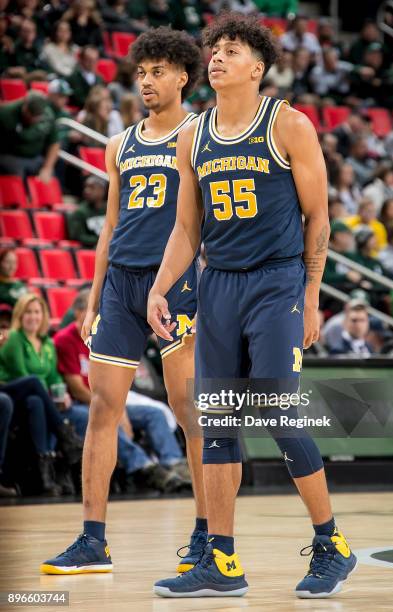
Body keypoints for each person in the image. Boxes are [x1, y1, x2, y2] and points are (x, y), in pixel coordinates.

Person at [148, 13, 356, 599]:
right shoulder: (193, 135)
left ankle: (331, 543)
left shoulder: (289, 125)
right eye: (213, 49)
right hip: (219, 285)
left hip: (277, 281)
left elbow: (320, 218)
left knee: (278, 409)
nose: (215, 57)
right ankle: (223, 561)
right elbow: (187, 228)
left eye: (231, 50)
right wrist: (161, 287)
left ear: (257, 68)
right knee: (216, 422)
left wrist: (312, 296)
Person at [40, 27, 206, 577]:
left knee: (188, 414)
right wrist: (91, 303)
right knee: (102, 411)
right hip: (120, 287)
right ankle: (92, 540)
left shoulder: (198, 135)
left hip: (176, 286)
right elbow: (108, 229)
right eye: (141, 73)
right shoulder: (120, 144)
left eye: (158, 72)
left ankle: (208, 533)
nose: (147, 82)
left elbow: (203, 223)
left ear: (183, 76)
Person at [54, 290, 189, 492]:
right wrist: (116, 409)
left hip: (110, 398)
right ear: (78, 312)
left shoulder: (103, 334)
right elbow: (76, 388)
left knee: (155, 414)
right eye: (91, 311)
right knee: (108, 421)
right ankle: (145, 468)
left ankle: (175, 464)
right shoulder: (65, 340)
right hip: (80, 404)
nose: (96, 316)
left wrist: (119, 407)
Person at [0, 294, 83, 494]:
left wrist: (62, 395)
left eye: (37, 312)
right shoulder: (14, 339)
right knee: (34, 383)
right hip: (10, 392)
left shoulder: (47, 343)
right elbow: (22, 375)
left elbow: (54, 377)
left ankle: (45, 474)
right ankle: (65, 434)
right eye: (28, 312)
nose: (33, 316)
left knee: (37, 401)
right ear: (20, 315)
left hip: (35, 398)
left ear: (43, 315)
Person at [0, 93, 60, 182]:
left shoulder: (48, 115)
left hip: (35, 157)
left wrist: (47, 168)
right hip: (11, 155)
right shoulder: (7, 113)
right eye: (31, 114)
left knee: (50, 176)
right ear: (25, 106)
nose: (34, 119)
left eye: (37, 116)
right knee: (16, 173)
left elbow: (54, 143)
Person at [67, 176, 107, 247]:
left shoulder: (110, 209)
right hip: (91, 249)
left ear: (102, 190)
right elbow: (78, 237)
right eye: (86, 187)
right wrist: (102, 240)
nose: (86, 191)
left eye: (92, 187)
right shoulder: (80, 212)